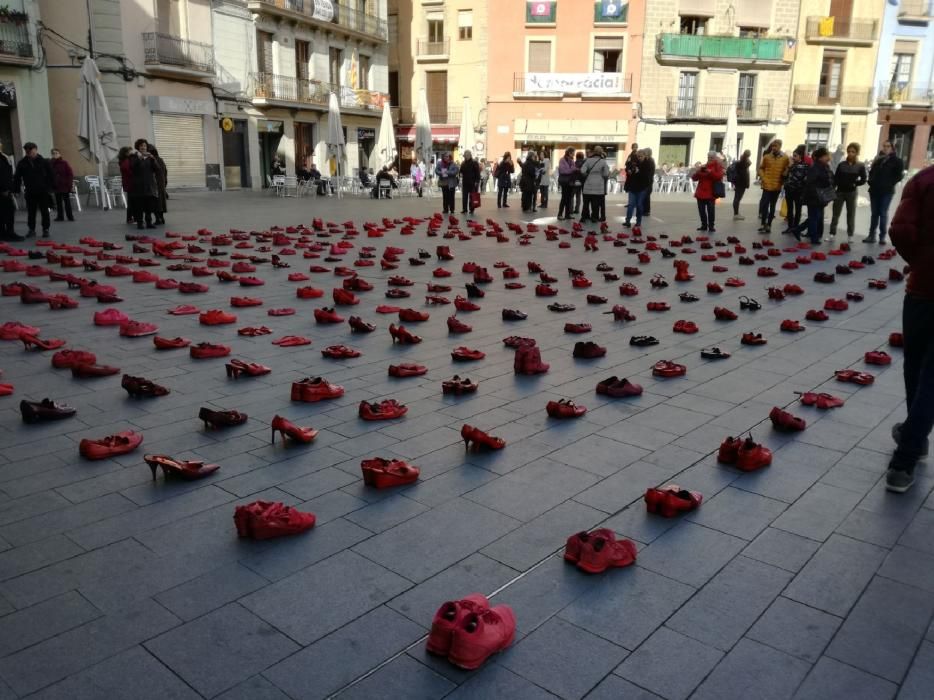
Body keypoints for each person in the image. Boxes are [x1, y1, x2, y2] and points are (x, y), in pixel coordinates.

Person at [886, 164, 934, 493]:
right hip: (922, 287)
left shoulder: (924, 180)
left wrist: (919, 261)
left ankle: (907, 453)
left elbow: (900, 230)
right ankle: (913, 440)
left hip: (923, 290)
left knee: (916, 366)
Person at [865, 140, 905, 244]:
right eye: (884, 146)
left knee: (883, 213)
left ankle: (882, 237)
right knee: (874, 214)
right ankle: (871, 236)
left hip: (887, 191)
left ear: (892, 148)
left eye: (888, 146)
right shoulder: (878, 159)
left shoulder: (897, 161)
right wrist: (871, 182)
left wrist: (890, 183)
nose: (885, 148)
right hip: (874, 190)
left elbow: (899, 176)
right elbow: (872, 172)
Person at [793, 147, 833, 244]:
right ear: (820, 157)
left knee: (815, 217)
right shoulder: (815, 168)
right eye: (825, 156)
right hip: (814, 196)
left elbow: (829, 179)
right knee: (815, 217)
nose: (828, 157)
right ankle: (813, 238)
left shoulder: (824, 167)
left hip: (820, 196)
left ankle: (798, 230)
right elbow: (810, 183)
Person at [13, 142, 54, 238]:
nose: (29, 153)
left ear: (36, 149)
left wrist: (49, 188)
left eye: (31, 150)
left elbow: (51, 175)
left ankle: (46, 229)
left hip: (43, 191)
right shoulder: (22, 163)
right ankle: (31, 229)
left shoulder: (44, 161)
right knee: (31, 212)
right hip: (30, 191)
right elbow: (17, 177)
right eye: (27, 151)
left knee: (44, 211)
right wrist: (16, 189)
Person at [828, 142, 867, 239]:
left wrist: (855, 183)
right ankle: (832, 233)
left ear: (857, 153)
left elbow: (864, 179)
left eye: (853, 152)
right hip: (840, 192)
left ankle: (850, 235)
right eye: (849, 151)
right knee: (835, 214)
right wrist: (833, 189)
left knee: (851, 214)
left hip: (851, 192)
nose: (850, 154)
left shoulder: (860, 165)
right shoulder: (842, 165)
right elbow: (836, 178)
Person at [757, 139, 789, 233]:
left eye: (776, 146)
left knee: (773, 205)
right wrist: (763, 178)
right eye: (772, 146)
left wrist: (785, 173)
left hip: (777, 186)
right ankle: (763, 223)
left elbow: (786, 170)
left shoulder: (785, 158)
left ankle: (769, 224)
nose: (774, 148)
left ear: (780, 146)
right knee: (764, 204)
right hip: (767, 185)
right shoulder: (767, 157)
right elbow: (761, 168)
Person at [692, 151, 725, 233]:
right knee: (701, 210)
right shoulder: (704, 166)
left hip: (710, 192)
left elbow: (719, 177)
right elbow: (694, 178)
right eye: (708, 157)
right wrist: (697, 171)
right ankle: (703, 225)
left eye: (711, 157)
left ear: (714, 158)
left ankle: (711, 226)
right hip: (700, 192)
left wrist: (710, 172)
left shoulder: (717, 166)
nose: (709, 158)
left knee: (711, 210)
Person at [130, 138, 159, 230]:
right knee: (139, 206)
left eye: (145, 146)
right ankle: (139, 223)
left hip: (149, 185)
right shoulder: (134, 157)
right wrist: (140, 158)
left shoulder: (150, 157)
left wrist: (153, 159)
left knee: (149, 206)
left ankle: (149, 222)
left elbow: (157, 169)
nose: (143, 147)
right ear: (138, 147)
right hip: (138, 186)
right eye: (141, 146)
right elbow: (132, 167)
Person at [580, 145, 610, 224]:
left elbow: (582, 171)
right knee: (595, 204)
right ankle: (594, 218)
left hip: (588, 185)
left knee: (586, 203)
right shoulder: (603, 162)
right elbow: (606, 174)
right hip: (598, 187)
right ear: (601, 152)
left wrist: (586, 174)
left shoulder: (588, 160)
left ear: (594, 152)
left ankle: (584, 217)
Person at [782, 148, 809, 235]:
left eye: (795, 156)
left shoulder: (805, 166)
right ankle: (790, 227)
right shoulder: (791, 165)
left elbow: (806, 180)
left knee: (798, 210)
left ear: (800, 156)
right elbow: (784, 176)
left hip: (799, 191)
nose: (793, 157)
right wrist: (788, 167)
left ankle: (796, 228)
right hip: (789, 190)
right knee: (790, 209)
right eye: (793, 156)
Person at [624, 149, 653, 227]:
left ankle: (638, 221)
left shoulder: (648, 164)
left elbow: (647, 177)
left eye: (641, 156)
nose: (639, 158)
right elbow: (627, 167)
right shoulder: (634, 162)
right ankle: (627, 221)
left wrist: (639, 172)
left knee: (639, 205)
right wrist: (628, 171)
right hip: (632, 187)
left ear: (644, 156)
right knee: (631, 205)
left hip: (642, 188)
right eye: (638, 156)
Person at [49, 148, 75, 223]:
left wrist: (69, 183)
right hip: (56, 186)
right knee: (58, 202)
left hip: (64, 185)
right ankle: (60, 216)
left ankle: (70, 216)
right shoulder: (50, 163)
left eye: (57, 153)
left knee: (67, 202)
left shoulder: (64, 163)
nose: (55, 155)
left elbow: (70, 173)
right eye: (53, 153)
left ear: (59, 154)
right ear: (52, 155)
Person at [0, 142, 19, 241]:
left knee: (9, 212)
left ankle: (9, 232)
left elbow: (8, 175)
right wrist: (3, 189)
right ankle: (4, 233)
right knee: (3, 213)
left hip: (7, 189)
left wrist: (11, 188)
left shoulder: (5, 157)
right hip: (2, 190)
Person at [728, 150, 752, 220]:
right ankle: (736, 214)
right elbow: (749, 163)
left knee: (737, 198)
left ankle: (736, 213)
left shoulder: (741, 162)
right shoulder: (743, 163)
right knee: (737, 198)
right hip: (741, 183)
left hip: (739, 182)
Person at [556, 147, 577, 220]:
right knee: (564, 198)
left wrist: (571, 169)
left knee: (569, 198)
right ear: (569, 153)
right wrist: (572, 169)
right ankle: (560, 214)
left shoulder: (572, 161)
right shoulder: (562, 160)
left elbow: (571, 169)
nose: (574, 155)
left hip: (570, 181)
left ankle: (567, 214)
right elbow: (562, 171)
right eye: (573, 153)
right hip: (564, 181)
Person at [149, 145, 167, 225]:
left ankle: (158, 219)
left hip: (155, 183)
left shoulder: (152, 160)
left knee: (155, 201)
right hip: (161, 183)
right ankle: (161, 218)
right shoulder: (161, 159)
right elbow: (165, 171)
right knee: (161, 201)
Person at [459, 150, 481, 214]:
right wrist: (460, 174)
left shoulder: (474, 162)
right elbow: (461, 171)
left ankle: (471, 209)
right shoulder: (463, 163)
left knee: (472, 197)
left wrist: (477, 181)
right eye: (465, 156)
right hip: (465, 182)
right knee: (464, 197)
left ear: (470, 155)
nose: (465, 157)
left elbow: (477, 173)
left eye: (466, 155)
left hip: (473, 183)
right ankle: (464, 209)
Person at [118, 146, 134, 224]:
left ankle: (130, 218)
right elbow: (130, 172)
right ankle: (130, 218)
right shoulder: (126, 162)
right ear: (126, 153)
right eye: (130, 151)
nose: (132, 152)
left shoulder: (124, 161)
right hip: (130, 184)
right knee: (131, 202)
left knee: (131, 201)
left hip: (128, 183)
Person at [642, 147, 656, 216]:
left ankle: (646, 211)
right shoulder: (650, 160)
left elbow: (649, 172)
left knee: (646, 196)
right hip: (648, 180)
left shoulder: (649, 160)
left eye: (644, 152)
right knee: (646, 196)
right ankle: (645, 210)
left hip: (648, 181)